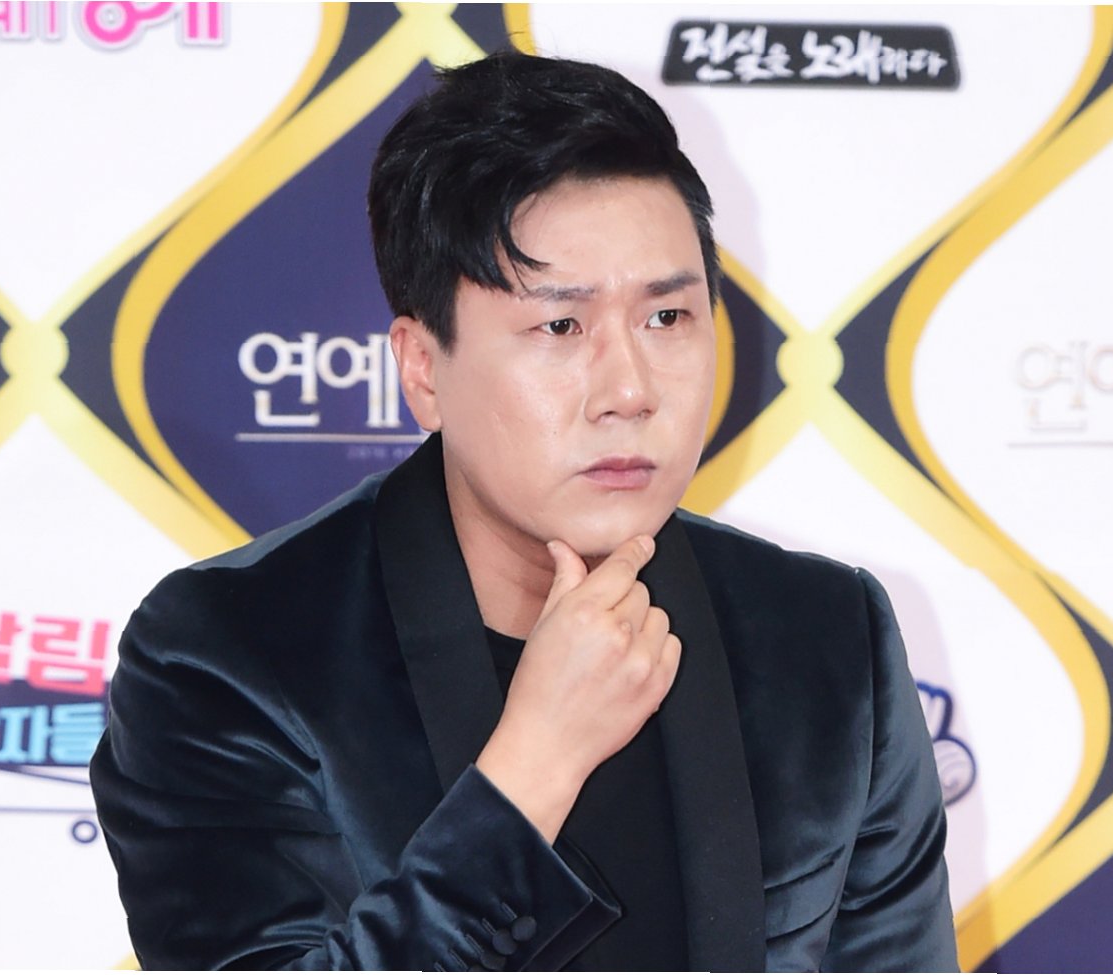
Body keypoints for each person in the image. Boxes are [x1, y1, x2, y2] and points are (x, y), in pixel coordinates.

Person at [90, 50, 957, 972]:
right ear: (422, 368)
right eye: (560, 326)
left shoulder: (825, 637)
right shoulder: (229, 654)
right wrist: (533, 764)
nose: (629, 390)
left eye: (666, 319)